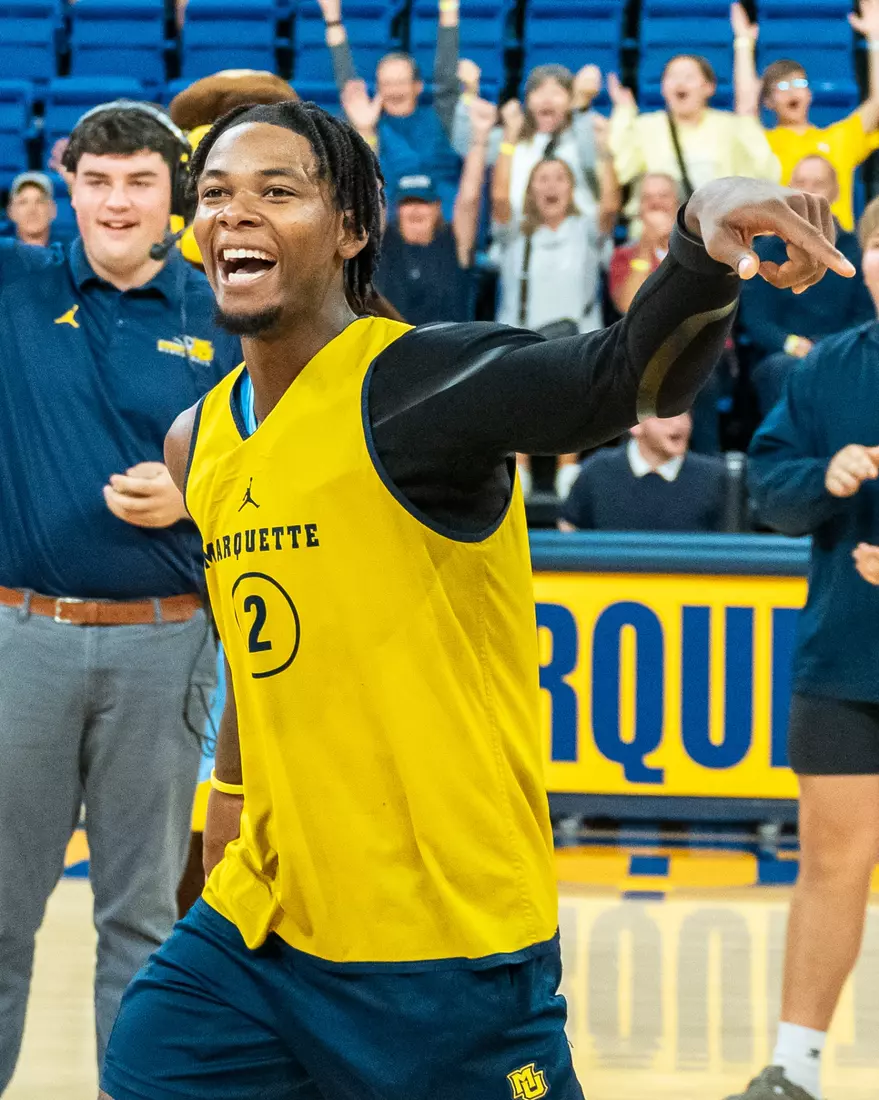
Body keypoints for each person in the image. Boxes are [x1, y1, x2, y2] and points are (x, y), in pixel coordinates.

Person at [95, 98, 852, 1100]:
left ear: (353, 229)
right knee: (148, 1060)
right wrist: (224, 813)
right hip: (260, 931)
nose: (235, 213)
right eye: (219, 193)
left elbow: (619, 380)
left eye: (279, 191)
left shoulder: (416, 382)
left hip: (443, 947)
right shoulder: (202, 437)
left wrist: (701, 242)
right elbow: (256, 640)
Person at [0, 100, 242, 1092]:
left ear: (174, 194)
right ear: (68, 189)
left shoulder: (223, 313)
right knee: (2, 912)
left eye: (139, 180)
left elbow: (280, 469)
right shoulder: (13, 289)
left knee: (141, 919)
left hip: (166, 646)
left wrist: (194, 489)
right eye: (95, 182)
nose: (114, 201)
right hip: (25, 637)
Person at [738, 194, 879, 1100]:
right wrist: (822, 481)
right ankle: (793, 1067)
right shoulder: (827, 368)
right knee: (832, 861)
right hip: (844, 657)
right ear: (863, 261)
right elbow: (769, 489)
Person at [740, 155, 874, 415]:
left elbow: (865, 317)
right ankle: (785, 453)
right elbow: (757, 320)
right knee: (783, 369)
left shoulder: (856, 252)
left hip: (843, 351)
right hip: (780, 354)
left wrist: (823, 348)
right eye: (800, 183)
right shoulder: (764, 252)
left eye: (818, 184)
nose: (807, 192)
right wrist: (793, 345)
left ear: (835, 192)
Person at [731, 0, 879, 232]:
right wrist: (743, 43)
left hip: (836, 246)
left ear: (809, 94)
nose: (791, 89)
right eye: (781, 87)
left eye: (799, 83)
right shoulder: (765, 144)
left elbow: (877, 103)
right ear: (768, 102)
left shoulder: (839, 138)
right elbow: (746, 108)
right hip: (781, 247)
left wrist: (875, 38)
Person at [318, 0, 462, 218]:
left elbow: (447, 74)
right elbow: (346, 78)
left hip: (441, 225)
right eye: (387, 84)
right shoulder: (366, 122)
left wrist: (449, 8)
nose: (394, 91)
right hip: (386, 229)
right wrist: (333, 19)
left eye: (401, 82)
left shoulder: (440, 116)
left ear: (418, 86)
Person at [608, 53, 780, 228]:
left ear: (709, 87)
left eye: (689, 77)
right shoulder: (645, 127)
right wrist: (623, 114)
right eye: (672, 77)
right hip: (656, 237)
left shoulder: (730, 126)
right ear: (662, 88)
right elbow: (620, 172)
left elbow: (768, 175)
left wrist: (748, 121)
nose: (680, 83)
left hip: (719, 238)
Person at [373, 96, 496, 325]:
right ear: (397, 210)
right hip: (391, 354)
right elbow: (368, 195)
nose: (415, 210)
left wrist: (480, 137)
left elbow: (469, 200)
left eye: (423, 203)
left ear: (437, 208)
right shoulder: (383, 245)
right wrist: (365, 131)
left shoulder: (454, 243)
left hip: (448, 355)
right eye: (408, 203)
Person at [454, 63, 610, 233]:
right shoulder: (511, 138)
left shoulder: (586, 134)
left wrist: (582, 104)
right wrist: (469, 93)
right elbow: (464, 146)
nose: (547, 99)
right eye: (539, 92)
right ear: (527, 101)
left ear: (570, 100)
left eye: (556, 93)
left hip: (576, 240)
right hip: (516, 240)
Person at [559, 413, 727, 532]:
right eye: (666, 415)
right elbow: (569, 528)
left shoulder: (714, 476)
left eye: (683, 414)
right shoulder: (597, 470)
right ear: (635, 425)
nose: (679, 425)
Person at [608, 172, 679, 314]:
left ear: (678, 205)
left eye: (664, 196)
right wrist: (646, 245)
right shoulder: (623, 255)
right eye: (648, 198)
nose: (656, 203)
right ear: (640, 209)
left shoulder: (701, 249)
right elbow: (628, 305)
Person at [5, 171, 57, 247]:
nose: (32, 210)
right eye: (23, 202)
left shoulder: (73, 256)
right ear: (11, 212)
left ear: (53, 210)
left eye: (40, 201)